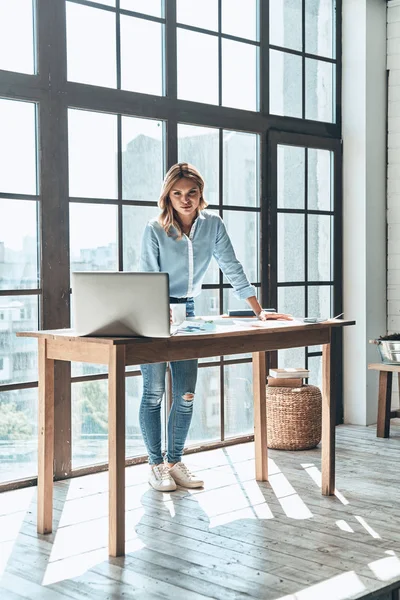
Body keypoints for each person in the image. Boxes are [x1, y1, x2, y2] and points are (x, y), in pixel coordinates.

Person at [139, 162, 291, 492]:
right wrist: (157, 307)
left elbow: (231, 266)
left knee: (187, 394)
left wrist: (259, 311)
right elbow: (148, 275)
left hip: (189, 311)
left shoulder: (213, 225)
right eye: (177, 193)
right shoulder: (155, 229)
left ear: (200, 194)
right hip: (152, 309)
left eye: (191, 193)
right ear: (168, 195)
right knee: (153, 392)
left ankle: (175, 461)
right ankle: (155, 465)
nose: (185, 200)